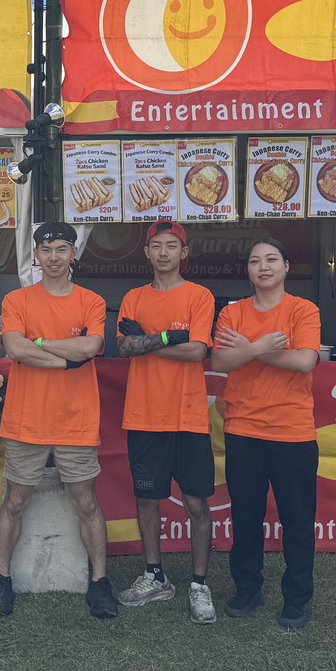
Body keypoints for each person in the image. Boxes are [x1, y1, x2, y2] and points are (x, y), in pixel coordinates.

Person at [0, 221, 117, 619]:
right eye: (46, 250)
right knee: (14, 500)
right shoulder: (17, 300)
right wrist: (65, 361)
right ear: (36, 255)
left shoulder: (91, 301)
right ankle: (1, 580)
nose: (54, 257)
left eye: (62, 249)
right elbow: (15, 348)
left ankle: (100, 582)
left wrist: (40, 343)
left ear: (74, 254)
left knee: (86, 501)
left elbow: (90, 346)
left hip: (76, 419)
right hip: (27, 418)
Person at [209, 236, 321, 630]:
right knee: (246, 516)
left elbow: (305, 361)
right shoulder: (232, 312)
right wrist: (260, 347)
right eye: (255, 261)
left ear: (286, 267)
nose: (264, 267)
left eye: (272, 259)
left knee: (297, 520)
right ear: (248, 270)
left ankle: (298, 597)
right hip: (243, 429)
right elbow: (221, 360)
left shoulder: (303, 310)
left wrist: (250, 349)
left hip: (293, 431)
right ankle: (248, 588)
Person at [113, 220, 217, 624]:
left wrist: (149, 341)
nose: (163, 253)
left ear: (184, 253)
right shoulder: (133, 297)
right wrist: (173, 337)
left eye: (172, 246)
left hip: (188, 416)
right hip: (144, 414)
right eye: (156, 246)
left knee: (196, 502)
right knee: (147, 499)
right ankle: (154, 575)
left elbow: (197, 352)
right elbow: (124, 347)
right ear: (146, 252)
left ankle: (199, 584)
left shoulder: (199, 295)